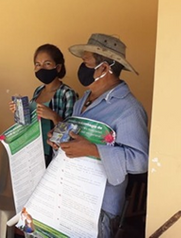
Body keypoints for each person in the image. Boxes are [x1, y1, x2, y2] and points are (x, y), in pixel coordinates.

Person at [50, 33, 149, 238]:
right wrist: (61, 138)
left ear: (104, 68)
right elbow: (79, 136)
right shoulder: (84, 99)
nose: (81, 67)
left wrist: (93, 150)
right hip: (73, 194)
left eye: (85, 62)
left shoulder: (128, 108)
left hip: (100, 207)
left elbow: (140, 161)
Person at [9, 44, 77, 166]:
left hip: (53, 156)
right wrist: (19, 111)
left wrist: (53, 116)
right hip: (33, 152)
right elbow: (31, 123)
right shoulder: (38, 90)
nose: (42, 68)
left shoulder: (67, 94)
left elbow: (72, 134)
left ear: (58, 67)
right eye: (37, 64)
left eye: (47, 63)